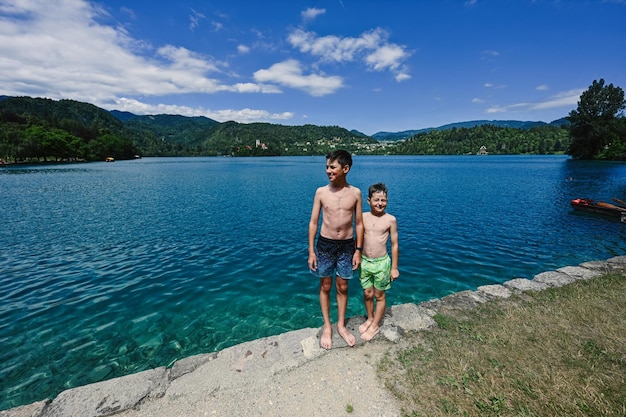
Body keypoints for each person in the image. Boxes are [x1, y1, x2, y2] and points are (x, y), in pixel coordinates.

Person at [308, 150, 364, 350]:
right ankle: (327, 326)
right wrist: (311, 251)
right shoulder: (321, 192)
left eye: (332, 167)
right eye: (327, 167)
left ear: (345, 169)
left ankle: (341, 325)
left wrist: (358, 250)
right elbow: (314, 222)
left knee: (343, 286)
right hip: (325, 245)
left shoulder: (355, 193)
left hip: (347, 246)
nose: (328, 171)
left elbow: (359, 224)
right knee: (325, 286)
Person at [358, 183, 399, 341]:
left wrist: (394, 267)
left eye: (383, 200)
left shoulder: (390, 220)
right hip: (365, 262)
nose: (380, 203)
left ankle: (375, 325)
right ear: (369, 200)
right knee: (367, 293)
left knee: (379, 295)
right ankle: (370, 318)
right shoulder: (362, 217)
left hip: (382, 263)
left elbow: (394, 244)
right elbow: (357, 238)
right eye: (376, 200)